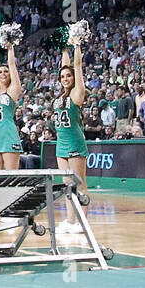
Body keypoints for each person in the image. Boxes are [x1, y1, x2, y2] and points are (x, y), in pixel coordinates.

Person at [53, 42, 90, 232]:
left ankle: (83, 224)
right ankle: (70, 221)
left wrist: (76, 45)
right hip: (61, 145)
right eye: (62, 77)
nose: (65, 78)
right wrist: (64, 49)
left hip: (75, 143)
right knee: (67, 187)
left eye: (68, 76)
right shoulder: (60, 96)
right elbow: (65, 65)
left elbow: (76, 66)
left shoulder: (77, 93)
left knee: (79, 184)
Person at [0, 42, 23, 171]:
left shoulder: (13, 91)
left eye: (6, 72)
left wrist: (10, 46)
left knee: (11, 178)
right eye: (0, 72)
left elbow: (12, 65)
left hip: (9, 135)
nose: (3, 74)